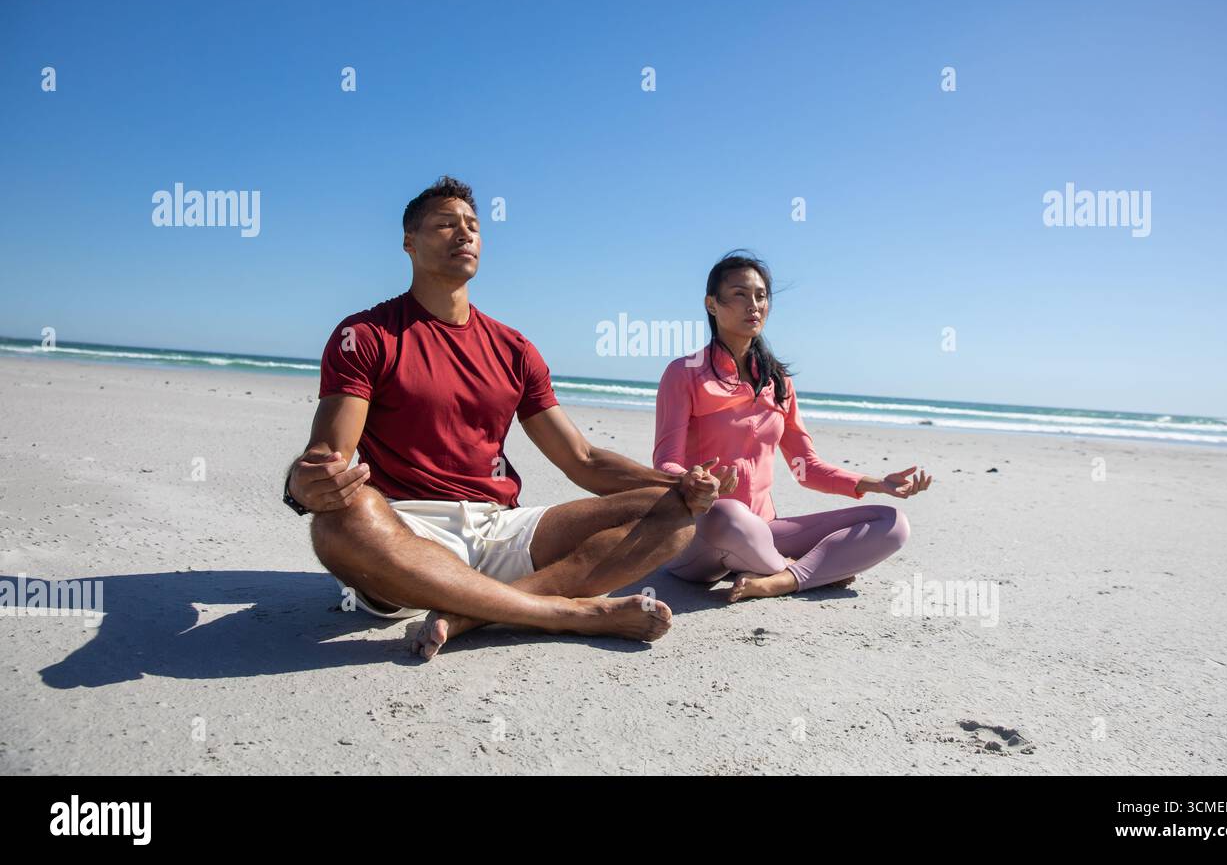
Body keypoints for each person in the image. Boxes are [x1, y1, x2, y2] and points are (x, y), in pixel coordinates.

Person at [284, 176, 724, 659]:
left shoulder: (513, 348)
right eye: (445, 225)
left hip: (500, 528)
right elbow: (330, 458)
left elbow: (582, 459)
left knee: (672, 517)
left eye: (472, 226)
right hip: (406, 534)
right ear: (409, 243)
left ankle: (473, 613)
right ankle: (564, 612)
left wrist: (675, 486)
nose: (464, 234)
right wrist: (306, 485)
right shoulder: (367, 334)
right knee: (336, 521)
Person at [653, 252, 931, 603]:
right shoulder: (684, 373)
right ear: (712, 304)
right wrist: (693, 479)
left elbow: (807, 469)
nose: (753, 305)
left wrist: (875, 483)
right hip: (699, 531)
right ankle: (806, 571)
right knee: (729, 513)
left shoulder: (777, 382)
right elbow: (665, 462)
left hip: (764, 530)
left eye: (760, 295)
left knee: (891, 522)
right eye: (739, 294)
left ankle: (782, 579)